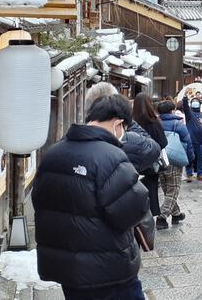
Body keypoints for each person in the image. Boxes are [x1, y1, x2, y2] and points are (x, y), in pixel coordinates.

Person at [32, 95, 153, 300]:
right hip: (108, 267)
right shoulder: (110, 157)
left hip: (66, 269)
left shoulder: (53, 153)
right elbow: (132, 211)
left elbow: (39, 200)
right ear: (118, 123)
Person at [157, 100, 193, 229]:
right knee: (173, 189)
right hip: (174, 160)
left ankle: (176, 214)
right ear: (172, 110)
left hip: (159, 159)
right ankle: (162, 217)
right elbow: (188, 142)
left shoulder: (156, 123)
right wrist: (190, 158)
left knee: (167, 188)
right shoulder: (177, 124)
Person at [131, 94, 167, 218]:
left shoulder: (131, 123)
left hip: (134, 163)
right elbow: (163, 142)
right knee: (152, 190)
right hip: (152, 163)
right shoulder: (154, 122)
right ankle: (152, 215)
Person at [181, 94, 202, 182]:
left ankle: (200, 173)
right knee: (190, 157)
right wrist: (185, 98)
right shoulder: (189, 113)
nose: (195, 103)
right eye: (193, 102)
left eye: (196, 102)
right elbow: (185, 106)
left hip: (201, 140)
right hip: (191, 139)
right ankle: (189, 174)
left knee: (201, 158)